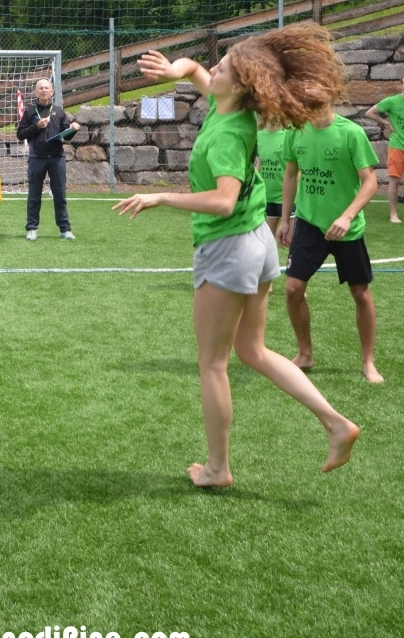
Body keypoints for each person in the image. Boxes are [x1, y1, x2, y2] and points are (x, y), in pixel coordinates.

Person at [114, 24, 360, 488]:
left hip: (229, 247)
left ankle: (217, 468)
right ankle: (335, 423)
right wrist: (174, 69)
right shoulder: (229, 105)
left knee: (213, 362)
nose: (215, 69)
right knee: (252, 349)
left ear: (240, 86)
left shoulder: (227, 133)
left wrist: (160, 197)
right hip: (256, 242)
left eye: (224, 67)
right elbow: (194, 70)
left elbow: (224, 200)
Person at [279, 100, 383, 384]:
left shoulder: (351, 133)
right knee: (293, 288)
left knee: (360, 293)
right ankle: (305, 354)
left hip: (346, 228)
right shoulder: (295, 132)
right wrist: (285, 219)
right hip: (309, 223)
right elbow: (290, 174)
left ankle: (368, 361)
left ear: (329, 94)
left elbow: (370, 182)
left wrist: (347, 217)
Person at [16, 78, 80, 240]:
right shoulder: (30, 112)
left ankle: (65, 229)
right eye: (41, 88)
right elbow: (20, 134)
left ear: (52, 92)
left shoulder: (58, 111)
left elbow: (67, 135)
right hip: (37, 158)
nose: (44, 90)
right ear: (36, 92)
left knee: (60, 194)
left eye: (47, 88)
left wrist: (73, 129)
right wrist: (36, 126)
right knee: (34, 194)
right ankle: (32, 228)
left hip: (57, 158)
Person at [365, 77, 404, 223]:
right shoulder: (392, 101)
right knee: (395, 180)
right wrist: (386, 123)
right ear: (401, 85)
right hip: (397, 145)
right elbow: (370, 113)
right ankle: (393, 215)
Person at [256, 121, 290, 237]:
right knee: (266, 240)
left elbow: (295, 170)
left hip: (286, 197)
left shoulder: (288, 135)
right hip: (267, 196)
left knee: (290, 242)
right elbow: (259, 162)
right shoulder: (258, 135)